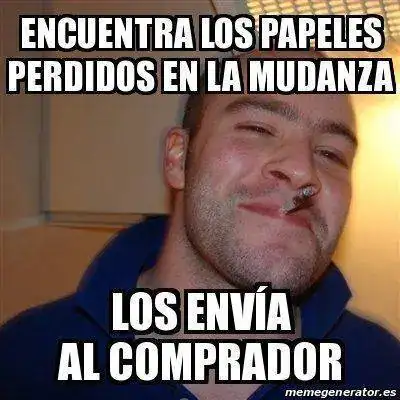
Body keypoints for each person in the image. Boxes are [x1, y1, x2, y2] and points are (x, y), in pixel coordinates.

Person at [0, 50, 399, 400]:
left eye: (331, 154)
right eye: (258, 129)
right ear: (178, 159)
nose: (302, 171)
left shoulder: (383, 370)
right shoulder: (24, 361)